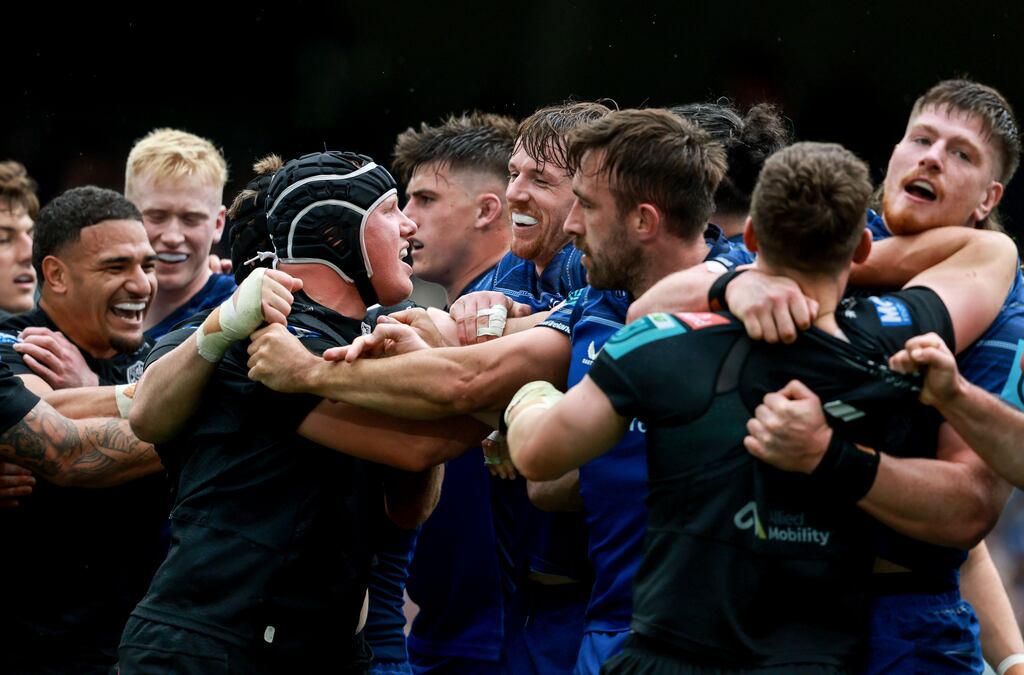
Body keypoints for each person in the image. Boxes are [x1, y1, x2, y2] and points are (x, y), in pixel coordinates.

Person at [244, 108, 747, 672]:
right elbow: (504, 417)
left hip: (701, 627)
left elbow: (471, 387)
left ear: (643, 221)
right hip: (590, 622)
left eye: (586, 203)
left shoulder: (747, 295)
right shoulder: (599, 300)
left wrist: (307, 373)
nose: (573, 223)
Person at [505, 141, 1013, 673]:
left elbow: (539, 457)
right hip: (811, 663)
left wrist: (528, 398)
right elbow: (993, 253)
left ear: (747, 237)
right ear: (862, 248)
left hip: (669, 656)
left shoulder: (657, 340)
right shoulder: (894, 348)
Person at [120, 150, 480, 673]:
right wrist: (531, 381)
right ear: (335, 236)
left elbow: (409, 504)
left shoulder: (363, 337)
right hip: (214, 644)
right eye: (389, 209)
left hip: (321, 647)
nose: (409, 225)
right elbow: (417, 445)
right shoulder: (266, 339)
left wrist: (419, 375)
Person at [0, 185, 170, 674]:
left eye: (148, 266)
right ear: (54, 274)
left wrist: (96, 388)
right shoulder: (16, 350)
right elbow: (65, 448)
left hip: (142, 653)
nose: (141, 285)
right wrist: (205, 420)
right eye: (116, 268)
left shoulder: (159, 360)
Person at [389, 111, 526, 674]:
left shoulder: (516, 308)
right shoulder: (448, 310)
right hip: (449, 626)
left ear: (486, 210)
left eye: (423, 199)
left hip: (495, 636)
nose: (403, 220)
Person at [124, 128, 236, 339]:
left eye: (190, 219)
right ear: (125, 214)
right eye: (157, 216)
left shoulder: (239, 310)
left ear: (218, 224)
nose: (173, 237)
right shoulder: (92, 304)